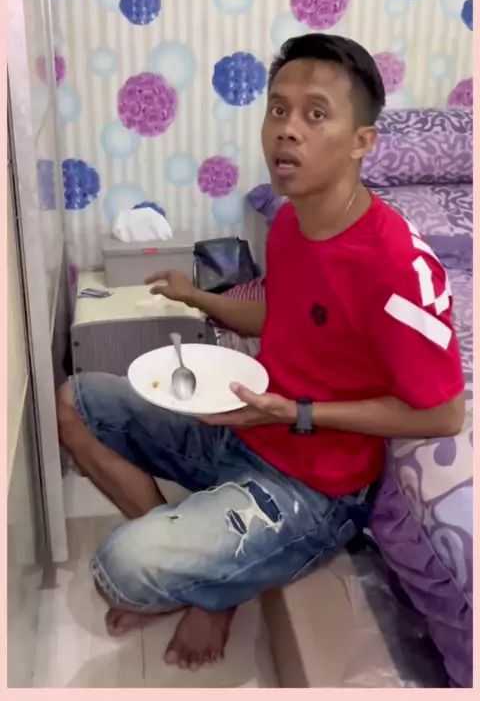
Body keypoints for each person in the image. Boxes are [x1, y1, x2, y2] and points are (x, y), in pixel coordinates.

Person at [57, 34, 465, 672]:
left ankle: (216, 584)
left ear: (362, 141)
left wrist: (298, 413)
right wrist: (199, 297)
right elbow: (285, 312)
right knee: (75, 402)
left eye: (316, 113)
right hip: (246, 428)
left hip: (318, 486)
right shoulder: (291, 220)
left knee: (118, 568)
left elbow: (444, 415)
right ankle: (214, 572)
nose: (287, 130)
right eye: (278, 109)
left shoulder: (395, 265)